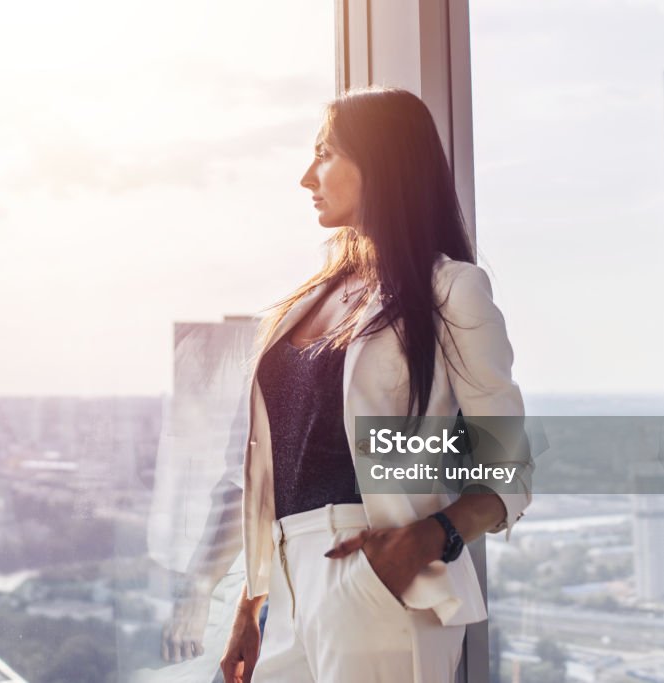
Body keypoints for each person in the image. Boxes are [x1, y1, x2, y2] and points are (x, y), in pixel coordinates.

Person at [162, 86, 532, 683]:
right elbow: (271, 473)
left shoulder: (451, 289)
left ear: (383, 163)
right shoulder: (305, 301)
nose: (307, 177)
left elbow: (507, 467)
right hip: (286, 584)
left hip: (376, 574)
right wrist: (249, 604)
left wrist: (433, 536)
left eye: (326, 153)